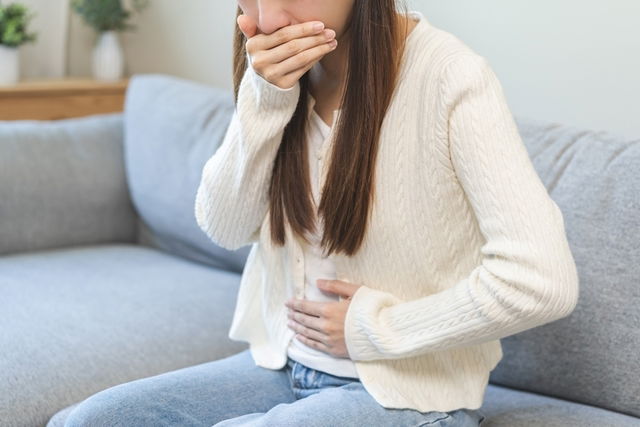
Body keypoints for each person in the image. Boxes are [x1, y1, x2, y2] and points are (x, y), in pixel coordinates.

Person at [62, 0, 579, 426]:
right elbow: (225, 226)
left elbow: (542, 280)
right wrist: (264, 101)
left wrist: (378, 328)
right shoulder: (281, 76)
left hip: (408, 395)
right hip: (285, 367)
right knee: (95, 420)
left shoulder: (451, 76)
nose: (266, 21)